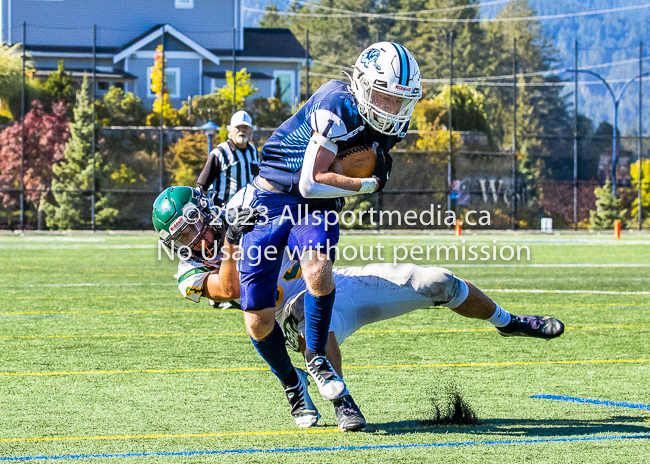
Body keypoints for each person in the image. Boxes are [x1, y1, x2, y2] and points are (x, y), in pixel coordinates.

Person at [152, 186, 565, 432]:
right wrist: (231, 243)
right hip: (285, 312)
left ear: (205, 210)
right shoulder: (189, 272)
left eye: (192, 227)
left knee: (436, 280)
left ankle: (507, 322)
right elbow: (230, 286)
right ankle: (335, 397)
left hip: (330, 283)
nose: (191, 239)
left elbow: (287, 195)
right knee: (275, 323)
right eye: (182, 237)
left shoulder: (240, 204)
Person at [236, 42, 423, 426]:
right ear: (362, 84)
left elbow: (350, 172)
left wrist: (376, 170)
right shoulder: (335, 104)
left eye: (398, 100)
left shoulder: (387, 125)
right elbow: (311, 181)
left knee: (318, 270)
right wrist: (370, 186)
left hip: (315, 208)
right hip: (272, 198)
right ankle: (292, 384)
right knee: (257, 318)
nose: (390, 108)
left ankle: (318, 358)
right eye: (384, 96)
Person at [196, 110, 259, 208]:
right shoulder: (220, 152)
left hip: (249, 210)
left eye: (245, 128)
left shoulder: (253, 151)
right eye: (238, 128)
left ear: (251, 131)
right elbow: (202, 186)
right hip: (224, 211)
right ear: (231, 130)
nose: (242, 131)